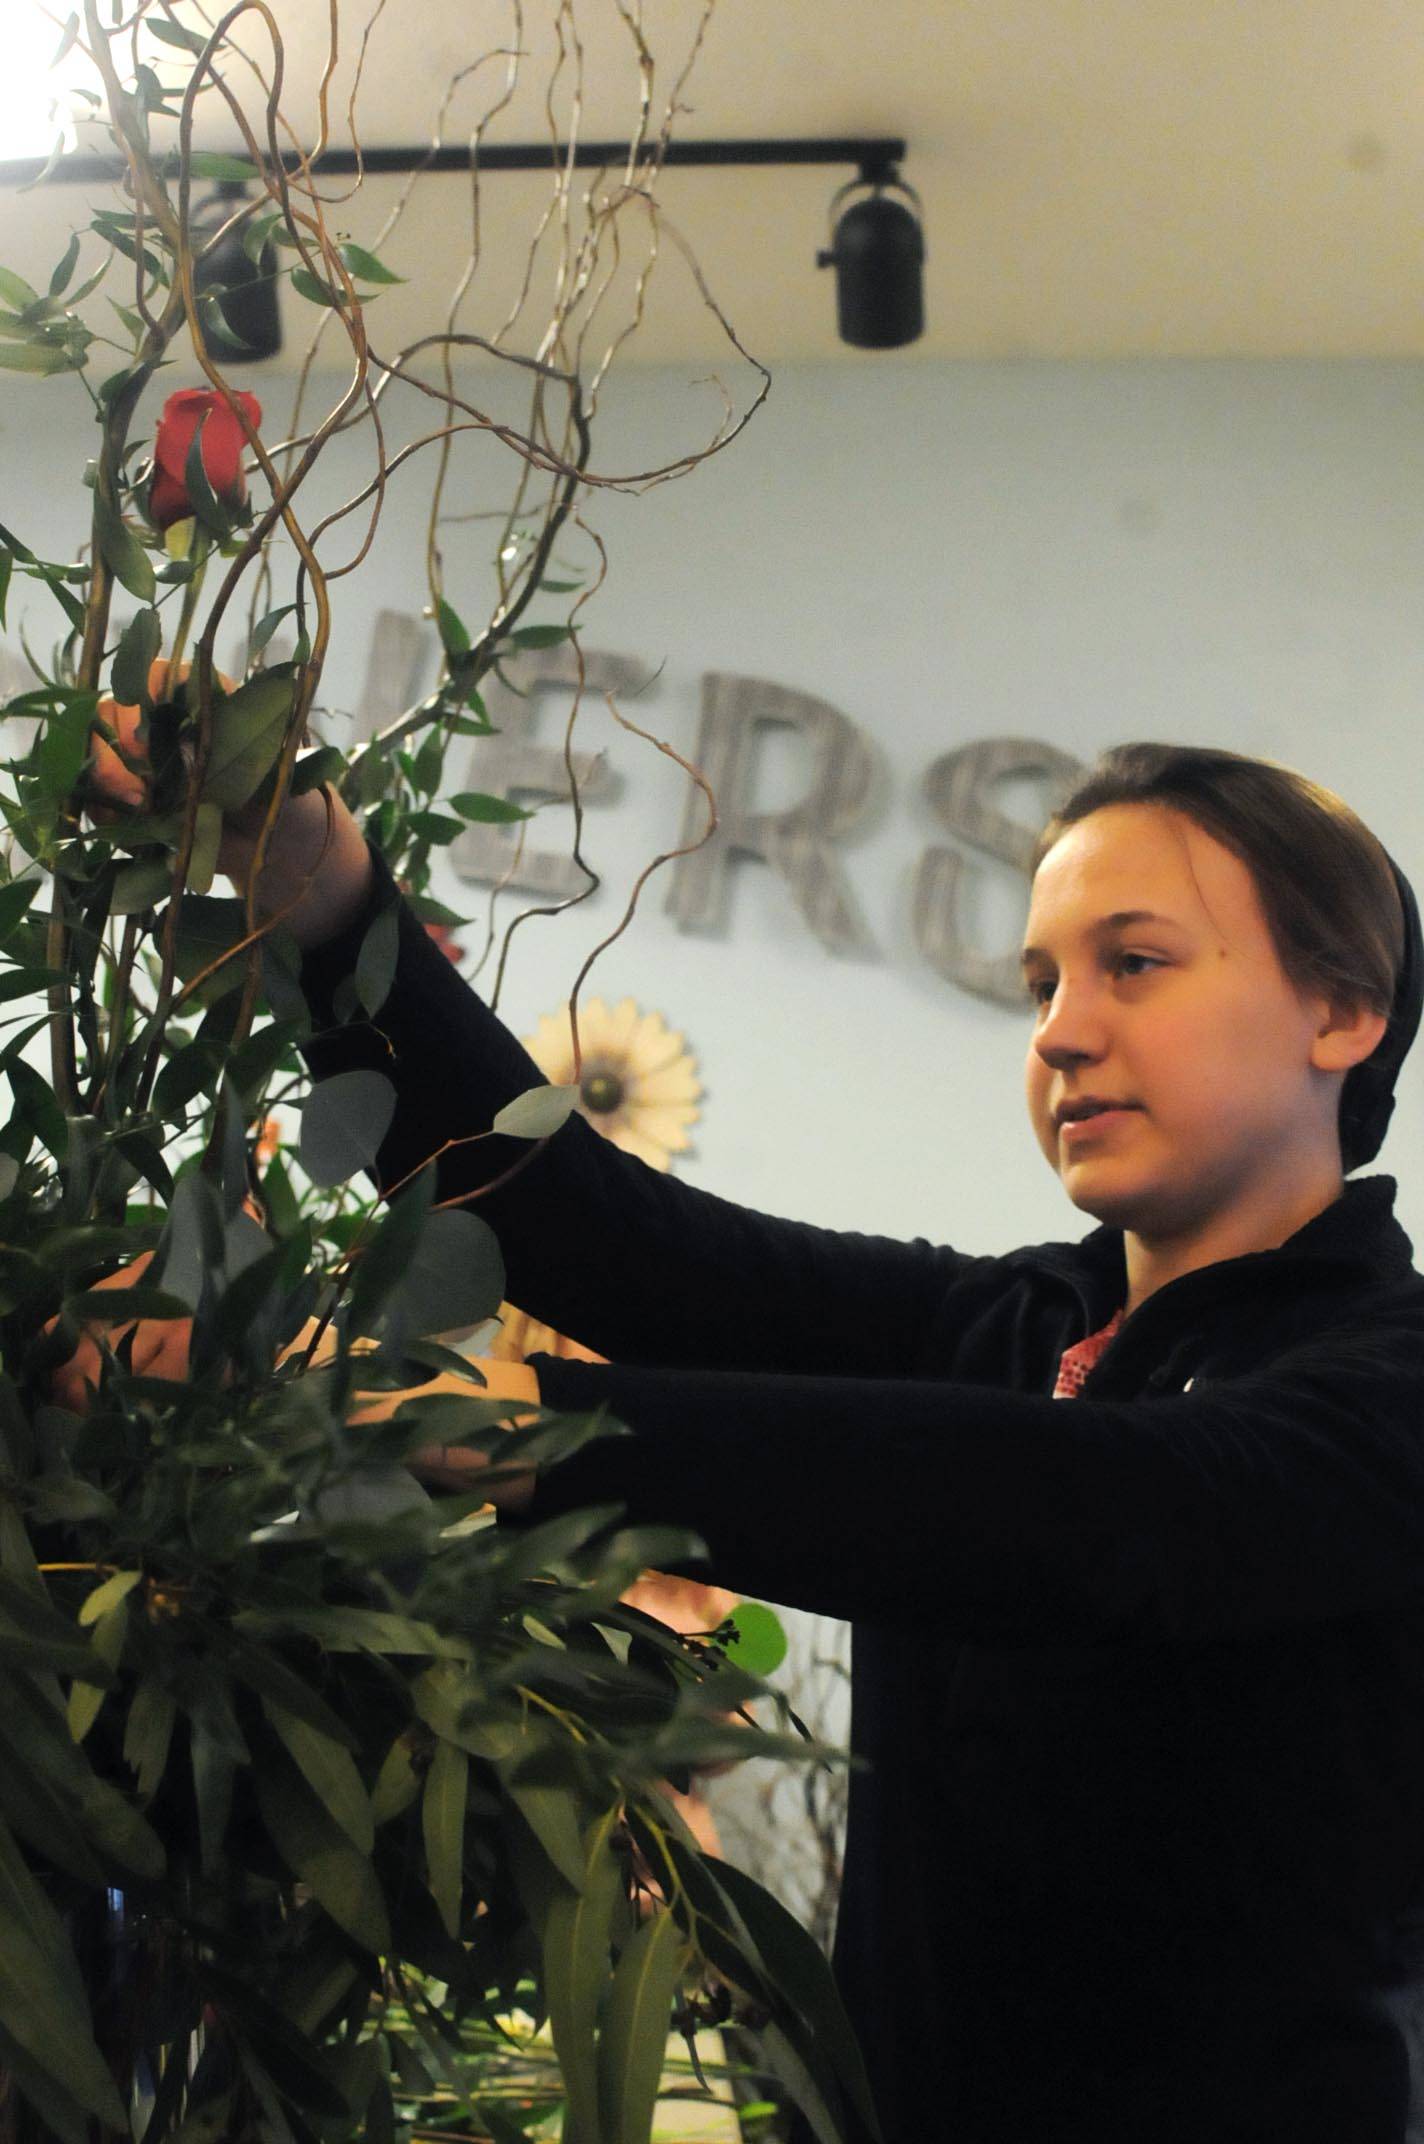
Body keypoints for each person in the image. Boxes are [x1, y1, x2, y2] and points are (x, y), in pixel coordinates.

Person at [71, 739, 1424, 2143]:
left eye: (1133, 964)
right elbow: (601, 1239)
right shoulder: (1023, 1328)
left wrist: (386, 1404)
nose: (1061, 1032)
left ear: (1343, 1007)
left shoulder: (1386, 1380)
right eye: (1041, 984)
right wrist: (316, 882)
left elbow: (1110, 1516)